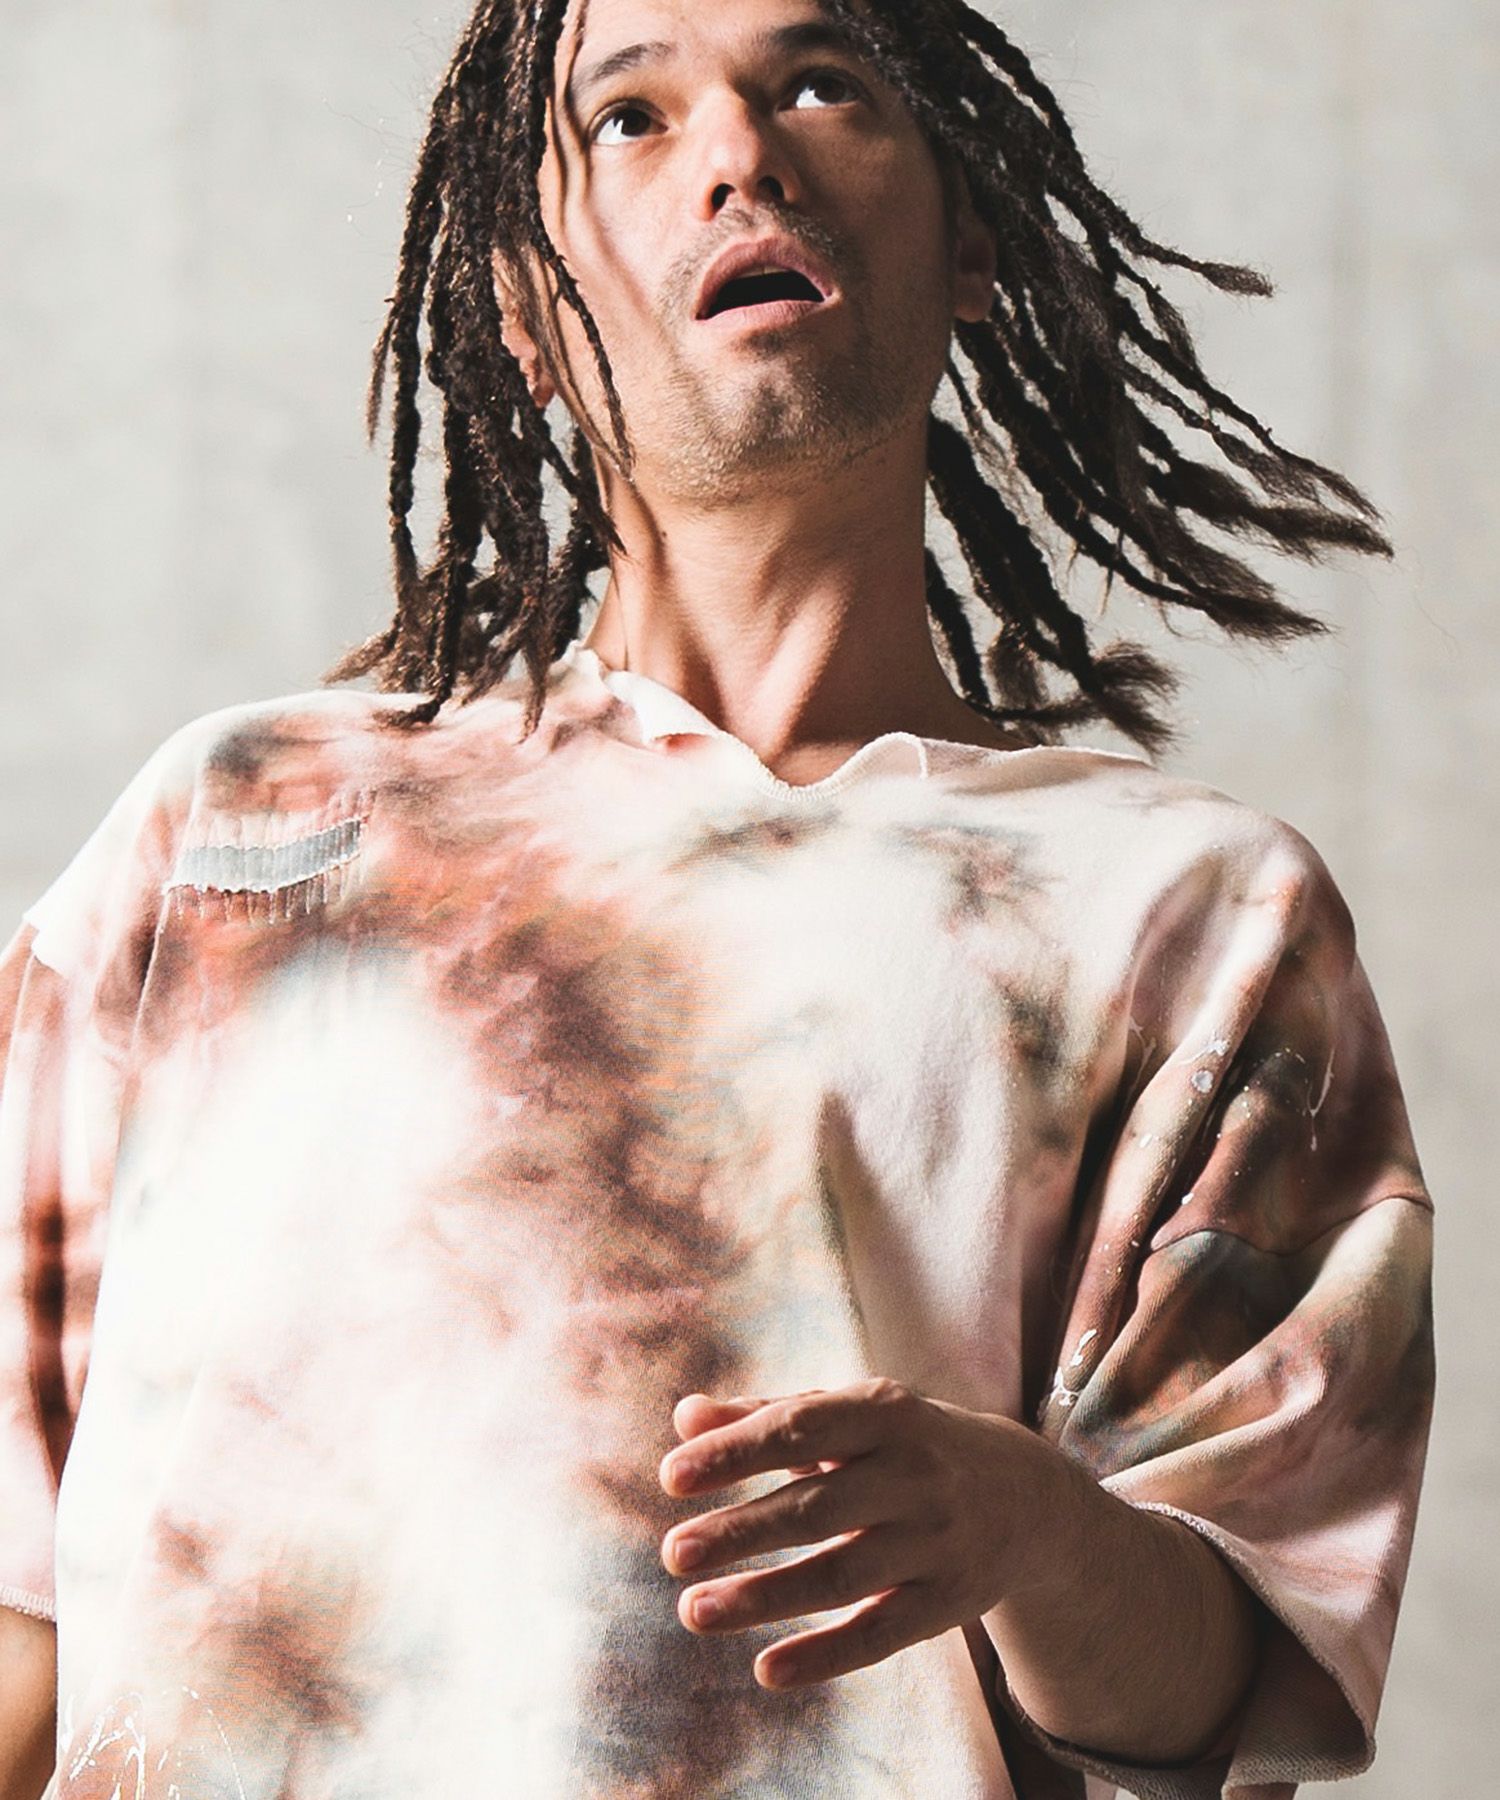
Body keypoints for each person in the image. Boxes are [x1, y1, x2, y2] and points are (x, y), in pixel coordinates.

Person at [0, 0, 1436, 1795]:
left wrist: (1029, 1529)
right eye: (632, 117)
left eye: (820, 83)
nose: (743, 154)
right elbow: (20, 1601)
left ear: (970, 241)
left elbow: (1241, 1677)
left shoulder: (1189, 914)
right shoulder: (234, 833)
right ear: (526, 316)